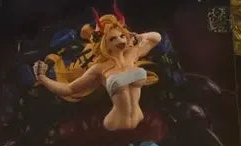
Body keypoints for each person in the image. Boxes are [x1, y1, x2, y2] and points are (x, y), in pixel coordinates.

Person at [33, 9, 161, 132]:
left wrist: (138, 36)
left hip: (139, 120)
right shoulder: (99, 68)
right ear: (105, 43)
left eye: (122, 36)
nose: (120, 40)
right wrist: (42, 78)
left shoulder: (133, 53)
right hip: (114, 124)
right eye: (112, 39)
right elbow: (69, 89)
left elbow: (156, 38)